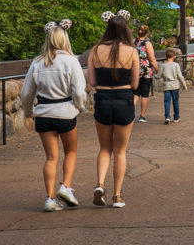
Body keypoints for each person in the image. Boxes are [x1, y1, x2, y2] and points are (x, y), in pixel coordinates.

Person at [22, 21, 86, 212]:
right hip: (66, 112)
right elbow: (80, 91)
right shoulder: (71, 61)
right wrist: (79, 107)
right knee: (71, 152)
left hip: (43, 112)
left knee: (51, 158)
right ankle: (65, 186)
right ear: (64, 39)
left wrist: (28, 112)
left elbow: (26, 93)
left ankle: (50, 199)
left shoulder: (37, 62)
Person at [88, 11, 139, 209]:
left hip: (103, 99)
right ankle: (117, 196)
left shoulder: (95, 50)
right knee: (120, 151)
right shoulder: (132, 52)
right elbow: (135, 83)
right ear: (125, 29)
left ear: (107, 29)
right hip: (124, 99)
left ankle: (100, 184)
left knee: (104, 148)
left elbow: (92, 82)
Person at [133, 25, 160, 123]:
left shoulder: (133, 42)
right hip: (146, 72)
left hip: (135, 71)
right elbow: (152, 59)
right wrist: (157, 69)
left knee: (135, 94)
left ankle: (130, 115)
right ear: (147, 33)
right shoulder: (147, 44)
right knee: (144, 95)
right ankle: (142, 116)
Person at [159, 48, 188, 123]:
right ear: (174, 57)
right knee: (175, 101)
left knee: (167, 102)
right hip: (175, 85)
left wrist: (155, 76)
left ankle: (167, 117)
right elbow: (180, 76)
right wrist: (184, 85)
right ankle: (176, 117)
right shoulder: (176, 65)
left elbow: (159, 75)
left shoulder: (163, 65)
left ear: (166, 57)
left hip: (167, 86)